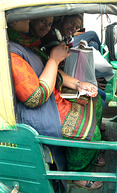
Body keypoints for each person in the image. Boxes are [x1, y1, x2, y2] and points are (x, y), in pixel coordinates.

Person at [8, 18, 103, 190]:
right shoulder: (12, 52)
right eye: (39, 19)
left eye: (50, 22)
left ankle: (88, 152)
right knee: (91, 134)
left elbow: (50, 72)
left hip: (52, 98)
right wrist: (54, 59)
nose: (44, 25)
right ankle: (75, 174)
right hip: (36, 112)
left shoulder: (28, 43)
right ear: (13, 21)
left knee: (95, 101)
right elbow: (34, 98)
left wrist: (78, 84)